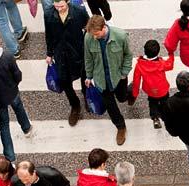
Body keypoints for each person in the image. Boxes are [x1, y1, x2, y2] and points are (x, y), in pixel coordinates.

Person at [0, 27, 34, 163]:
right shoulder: (7, 55)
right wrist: (15, 84)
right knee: (19, 108)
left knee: (4, 125)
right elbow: (17, 74)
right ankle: (26, 128)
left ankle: (10, 156)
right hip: (12, 91)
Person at [84, 15, 131, 145]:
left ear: (104, 27)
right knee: (111, 106)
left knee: (122, 97)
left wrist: (124, 73)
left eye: (96, 34)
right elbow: (88, 58)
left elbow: (128, 55)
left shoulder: (120, 36)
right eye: (92, 34)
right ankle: (120, 127)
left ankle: (130, 91)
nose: (94, 37)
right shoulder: (88, 37)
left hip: (118, 77)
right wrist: (89, 76)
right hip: (101, 79)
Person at [45, 0, 91, 127]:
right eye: (56, 6)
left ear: (68, 2)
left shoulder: (79, 12)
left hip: (78, 51)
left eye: (62, 6)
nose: (59, 9)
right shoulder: (48, 13)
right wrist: (49, 53)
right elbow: (48, 34)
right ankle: (75, 106)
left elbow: (88, 28)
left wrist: (88, 48)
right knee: (64, 82)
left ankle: (87, 96)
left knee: (84, 76)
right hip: (61, 53)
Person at [131, 40, 175, 129]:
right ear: (157, 52)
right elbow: (170, 65)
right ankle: (165, 117)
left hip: (150, 90)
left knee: (152, 103)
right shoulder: (161, 63)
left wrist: (134, 94)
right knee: (165, 103)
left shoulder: (140, 64)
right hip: (162, 89)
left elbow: (136, 81)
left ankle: (155, 118)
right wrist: (171, 54)